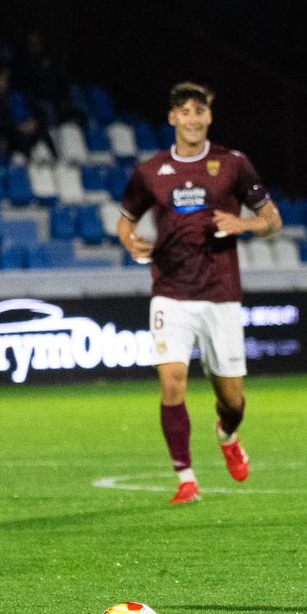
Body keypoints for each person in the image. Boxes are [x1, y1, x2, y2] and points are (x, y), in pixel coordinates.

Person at [116, 81, 282, 505]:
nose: (192, 119)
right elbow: (125, 217)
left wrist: (243, 224)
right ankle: (185, 479)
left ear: (209, 116)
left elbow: (272, 219)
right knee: (172, 382)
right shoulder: (150, 171)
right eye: (184, 112)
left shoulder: (232, 164)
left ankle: (227, 435)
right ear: (172, 117)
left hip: (221, 295)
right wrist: (129, 239)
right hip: (170, 292)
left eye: (200, 111)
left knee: (232, 399)